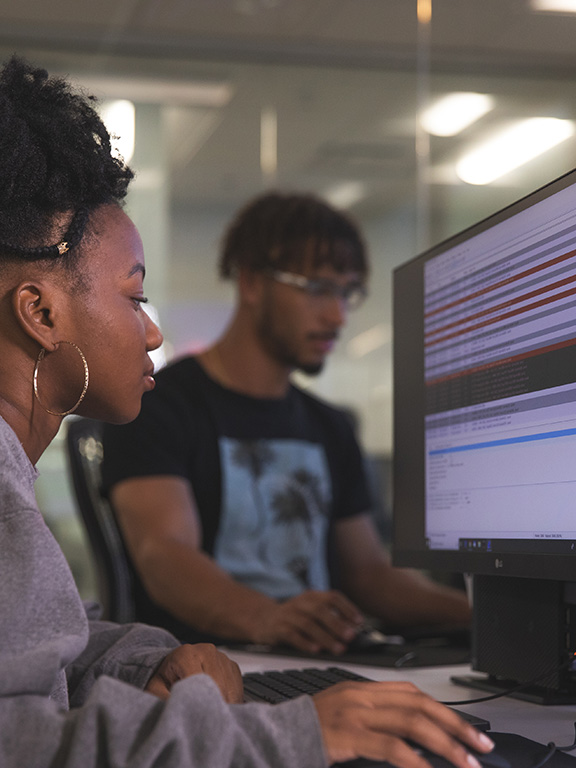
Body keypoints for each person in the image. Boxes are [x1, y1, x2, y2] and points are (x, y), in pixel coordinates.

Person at [0, 54, 494, 768]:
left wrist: (143, 660)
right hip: (234, 691)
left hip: (223, 683)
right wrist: (288, 736)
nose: (153, 330)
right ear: (41, 312)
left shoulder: (326, 426)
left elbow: (45, 645)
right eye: (136, 298)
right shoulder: (157, 413)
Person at [101, 190, 471, 657]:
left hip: (318, 661)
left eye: (346, 292)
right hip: (201, 673)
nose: (337, 315)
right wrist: (266, 617)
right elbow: (166, 555)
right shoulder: (161, 403)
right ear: (253, 283)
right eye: (317, 288)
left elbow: (370, 574)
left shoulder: (330, 426)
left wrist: (487, 617)